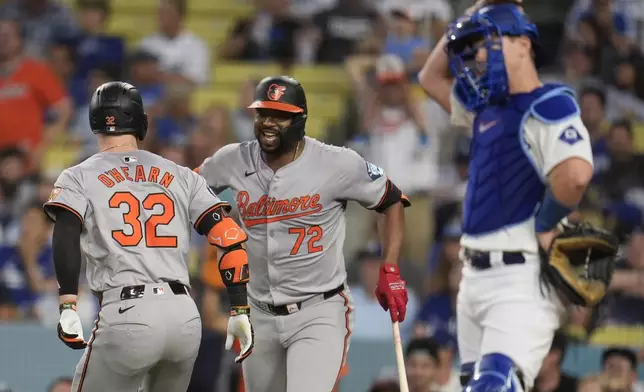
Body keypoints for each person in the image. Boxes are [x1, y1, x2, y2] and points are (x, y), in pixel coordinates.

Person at [419, 1, 596, 391]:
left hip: (520, 278)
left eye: (489, 43)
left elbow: (577, 175)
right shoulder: (485, 110)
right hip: (472, 279)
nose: (479, 55)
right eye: (476, 46)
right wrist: (477, 9)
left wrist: (547, 222)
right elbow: (430, 77)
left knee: (495, 385)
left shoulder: (548, 102)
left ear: (522, 44)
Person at [195, 75, 411, 392]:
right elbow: (186, 188)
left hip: (318, 310)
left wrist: (390, 266)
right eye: (262, 113)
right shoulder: (233, 158)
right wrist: (211, 217)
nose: (268, 122)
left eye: (279, 115)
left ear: (300, 119)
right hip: (259, 313)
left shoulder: (336, 163)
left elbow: (391, 200)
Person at [43, 81, 253, 392]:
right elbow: (230, 237)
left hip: (127, 311)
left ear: (95, 122)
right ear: (141, 122)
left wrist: (68, 303)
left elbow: (65, 234)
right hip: (184, 316)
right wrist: (239, 307)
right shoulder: (181, 174)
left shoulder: (79, 175)